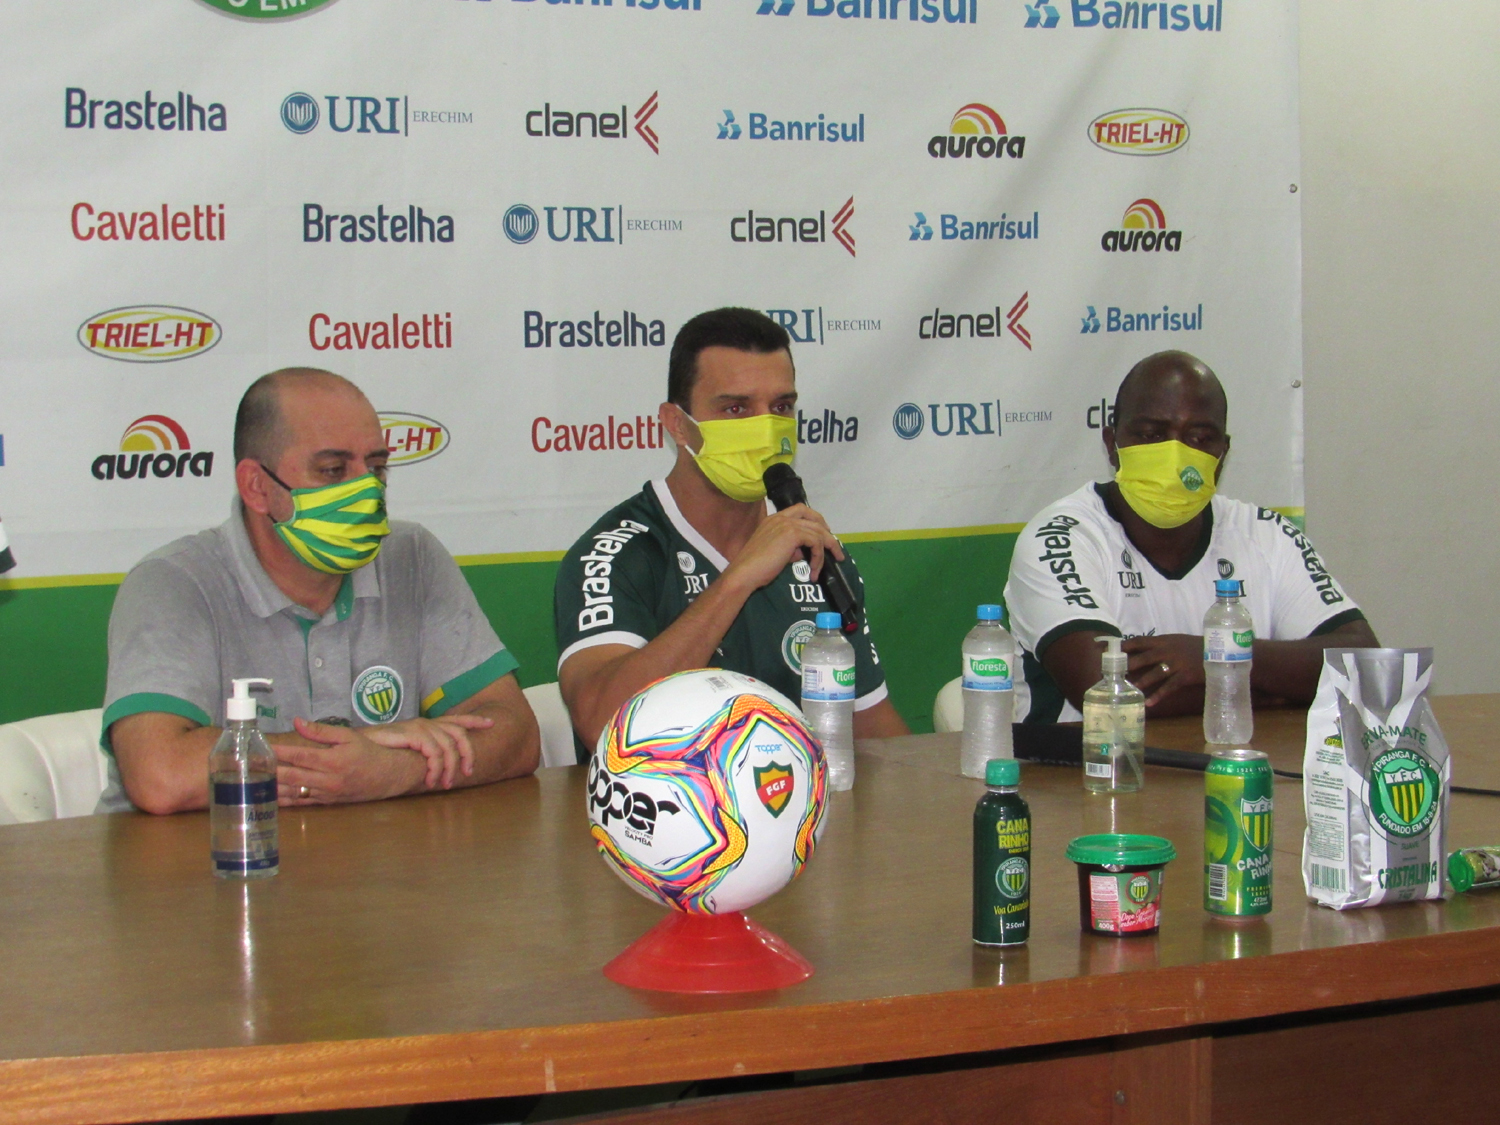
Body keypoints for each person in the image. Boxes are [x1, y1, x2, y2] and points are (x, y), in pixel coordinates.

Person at [100, 368, 539, 815]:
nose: (366, 490)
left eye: (376, 468)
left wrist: (393, 769)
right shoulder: (173, 583)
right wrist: (360, 747)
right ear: (257, 486)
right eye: (332, 470)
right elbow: (161, 776)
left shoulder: (411, 557)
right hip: (209, 856)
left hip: (363, 855)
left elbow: (516, 736)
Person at [554, 307, 908, 756]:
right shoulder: (616, 556)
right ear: (677, 424)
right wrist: (738, 579)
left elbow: (874, 728)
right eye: (736, 408)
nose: (764, 428)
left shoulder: (816, 552)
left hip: (796, 796)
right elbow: (602, 723)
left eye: (781, 407)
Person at [1004, 350, 1377, 722]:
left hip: (1238, 755)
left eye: (1199, 438)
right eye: (1152, 435)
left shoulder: (1267, 534)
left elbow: (1365, 665)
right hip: (1086, 759)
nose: (1176, 455)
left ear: (1222, 454)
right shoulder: (1060, 537)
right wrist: (1274, 686)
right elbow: (1106, 690)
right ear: (1112, 443)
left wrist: (1216, 656)